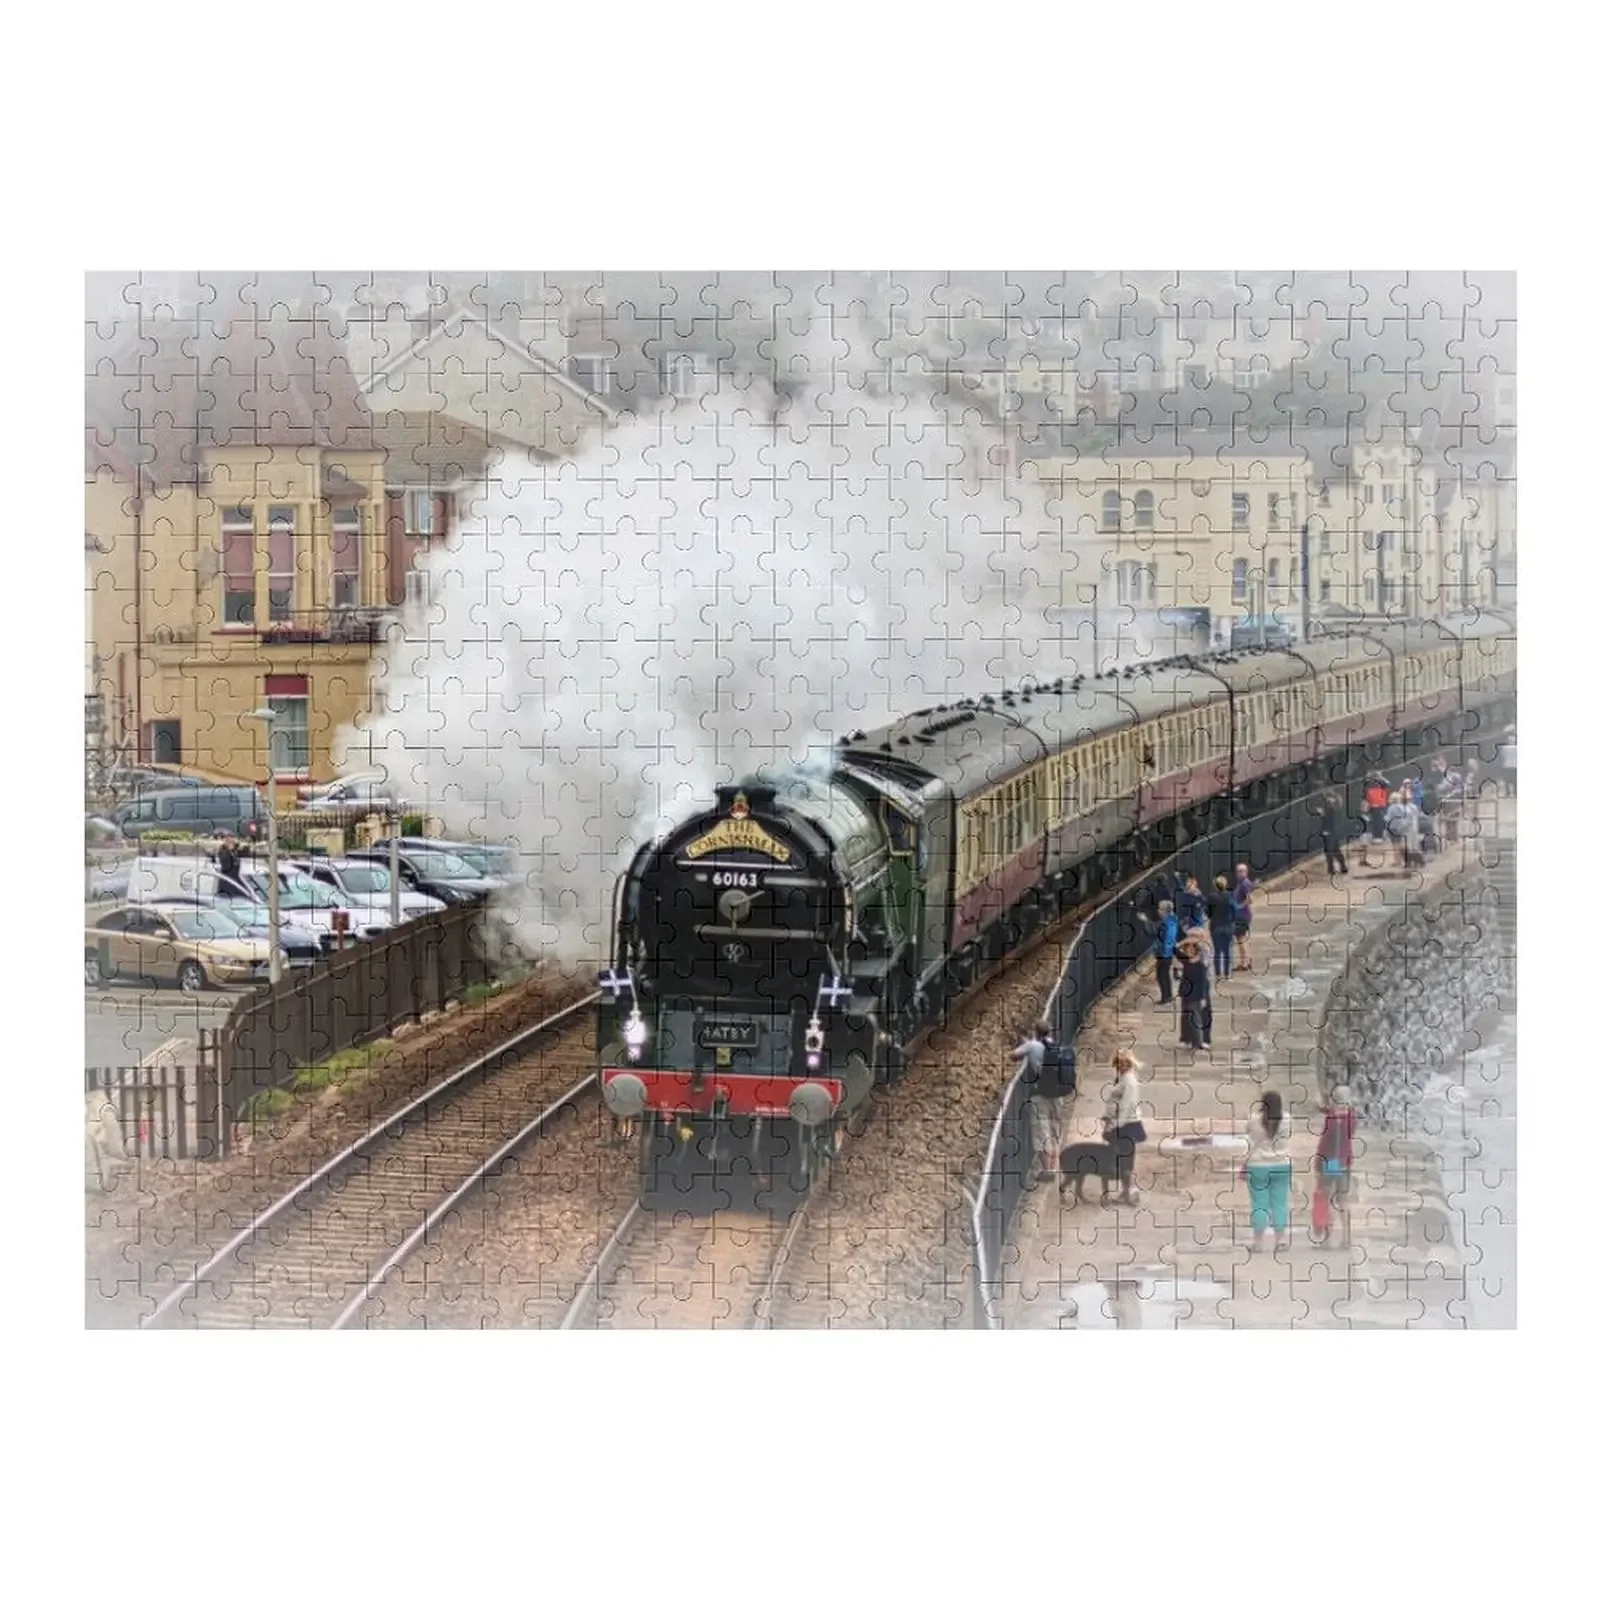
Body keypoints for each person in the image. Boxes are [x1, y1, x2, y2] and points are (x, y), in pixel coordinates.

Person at [1017, 1024, 1076, 1186]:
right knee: (1054, 1129)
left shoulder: (1032, 1046)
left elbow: (1013, 1055)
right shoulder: (1054, 1045)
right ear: (1049, 1031)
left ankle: (1047, 1169)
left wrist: (1024, 1045)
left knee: (1041, 1131)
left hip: (1041, 1094)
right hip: (1057, 1095)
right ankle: (1054, 1167)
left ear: (1035, 1032)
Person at [1243, 1088, 1293, 1253]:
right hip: (1282, 1165)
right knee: (1279, 1203)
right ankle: (1280, 1240)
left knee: (1259, 1205)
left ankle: (1258, 1242)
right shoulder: (1287, 1119)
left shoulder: (1254, 1119)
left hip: (1257, 1166)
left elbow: (1249, 1134)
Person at [1312, 1084, 1357, 1248]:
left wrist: (1318, 1164)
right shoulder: (1352, 1117)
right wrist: (1323, 1108)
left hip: (1330, 1162)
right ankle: (1347, 1238)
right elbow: (1339, 1114)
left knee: (1327, 1199)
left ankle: (1328, 1238)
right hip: (1345, 1162)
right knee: (1343, 1201)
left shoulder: (1331, 1119)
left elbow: (1325, 1144)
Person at [1103, 1049, 1147, 1205]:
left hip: (1126, 1125)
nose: (1120, 1067)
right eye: (1118, 1064)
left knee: (1125, 1160)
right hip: (1122, 1123)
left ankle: (1131, 1190)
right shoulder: (1123, 1078)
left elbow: (1127, 1106)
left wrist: (1114, 1126)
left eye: (1123, 1064)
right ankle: (1127, 1191)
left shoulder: (1129, 1081)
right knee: (1122, 1160)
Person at [1177, 932, 1212, 1052]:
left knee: (1196, 1018)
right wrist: (1183, 942)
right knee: (1187, 1017)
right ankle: (1188, 1039)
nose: (1188, 951)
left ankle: (1199, 1042)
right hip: (1186, 993)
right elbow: (1175, 950)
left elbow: (1202, 983)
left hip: (1197, 995)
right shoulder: (1186, 961)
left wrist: (1202, 998)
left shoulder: (1201, 964)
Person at [1143, 897, 1180, 1006]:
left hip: (1163, 952)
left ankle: (1166, 998)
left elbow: (1152, 930)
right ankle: (1167, 996)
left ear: (1164, 911)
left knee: (1162, 975)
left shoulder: (1164, 923)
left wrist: (1145, 920)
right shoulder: (1173, 919)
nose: (1158, 911)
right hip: (1169, 951)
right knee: (1164, 975)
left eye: (1160, 909)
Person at [1204, 874, 1236, 979]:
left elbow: (1208, 912)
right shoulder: (1230, 896)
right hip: (1227, 925)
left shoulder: (1211, 897)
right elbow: (1234, 911)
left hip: (1216, 926)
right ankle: (1227, 973)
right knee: (1227, 951)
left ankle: (1218, 974)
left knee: (1217, 951)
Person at [1231, 863, 1256, 971]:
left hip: (1243, 916)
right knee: (1241, 938)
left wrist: (1239, 906)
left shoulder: (1245, 884)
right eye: (1238, 871)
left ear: (1246, 872)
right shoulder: (1240, 883)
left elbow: (1250, 899)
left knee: (1240, 938)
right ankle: (1246, 960)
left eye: (1242, 871)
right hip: (1240, 916)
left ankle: (1244, 962)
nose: (1240, 873)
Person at [1363, 772, 1390, 860]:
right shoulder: (1368, 784)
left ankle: (1379, 836)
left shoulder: (1382, 783)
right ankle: (1376, 837)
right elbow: (1365, 795)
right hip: (1373, 806)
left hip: (1380, 805)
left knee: (1380, 821)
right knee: (1375, 822)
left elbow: (1387, 783)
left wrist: (1380, 777)